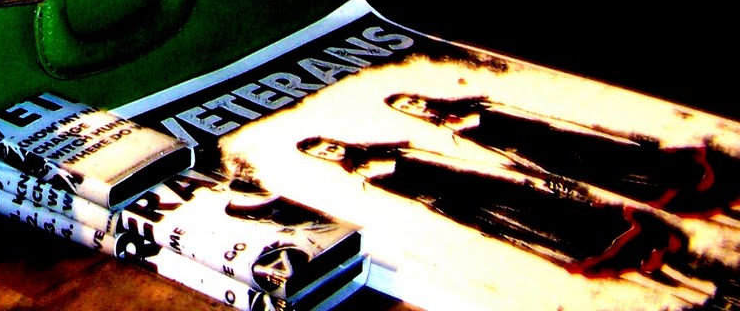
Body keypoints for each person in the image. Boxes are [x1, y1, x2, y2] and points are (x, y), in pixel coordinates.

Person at [296, 135, 707, 292]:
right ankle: (673, 284)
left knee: (590, 227)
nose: (331, 152)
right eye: (323, 154)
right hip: (478, 212)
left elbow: (458, 166)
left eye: (328, 145)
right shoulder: (362, 180)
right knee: (567, 245)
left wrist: (522, 180)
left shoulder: (394, 152)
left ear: (336, 141)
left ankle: (685, 272)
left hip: (494, 191)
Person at [384, 92, 740, 220]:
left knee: (658, 169)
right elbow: (506, 161)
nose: (416, 107)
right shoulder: (453, 137)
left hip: (575, 145)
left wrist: (604, 136)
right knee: (643, 189)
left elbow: (546, 122)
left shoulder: (477, 107)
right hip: (563, 165)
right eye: (408, 109)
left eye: (412, 101)